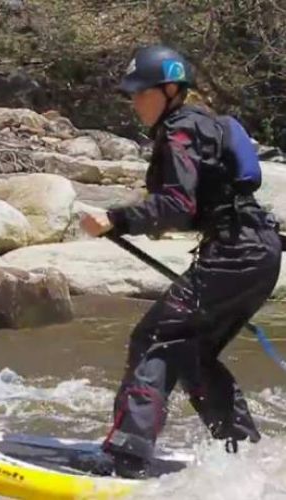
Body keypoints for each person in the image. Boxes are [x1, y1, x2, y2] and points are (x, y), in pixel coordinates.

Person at [80, 44, 282, 479]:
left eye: (141, 92)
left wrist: (116, 217)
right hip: (255, 252)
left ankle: (125, 458)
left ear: (170, 90)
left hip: (235, 253)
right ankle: (242, 457)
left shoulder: (180, 131)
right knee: (194, 354)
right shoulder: (202, 125)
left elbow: (174, 203)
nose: (134, 102)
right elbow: (196, 206)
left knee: (156, 339)